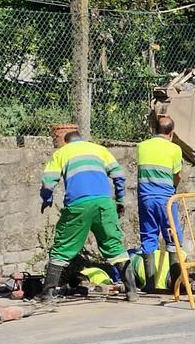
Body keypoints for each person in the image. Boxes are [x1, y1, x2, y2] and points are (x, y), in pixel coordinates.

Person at [38, 125, 137, 302]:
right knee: (114, 246)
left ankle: (47, 294)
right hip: (104, 204)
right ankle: (132, 291)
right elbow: (119, 176)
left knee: (62, 248)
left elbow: (48, 182)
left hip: (78, 205)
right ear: (81, 139)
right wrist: (120, 200)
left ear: (65, 142)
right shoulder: (100, 150)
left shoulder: (62, 153)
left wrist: (47, 199)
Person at [135, 116, 183, 290]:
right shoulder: (175, 149)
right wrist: (174, 187)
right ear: (171, 133)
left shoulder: (141, 147)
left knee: (148, 237)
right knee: (173, 238)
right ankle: (176, 284)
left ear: (154, 130)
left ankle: (150, 284)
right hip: (166, 200)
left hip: (145, 199)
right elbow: (177, 175)